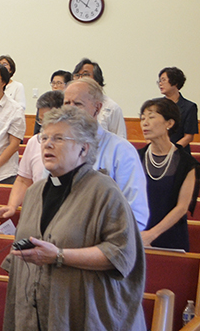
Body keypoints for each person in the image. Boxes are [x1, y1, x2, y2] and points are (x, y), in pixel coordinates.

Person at [0, 106, 152, 331]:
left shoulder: (104, 192)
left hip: (90, 329)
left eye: (58, 138)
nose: (47, 145)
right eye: (44, 137)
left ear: (84, 149)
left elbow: (122, 255)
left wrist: (60, 256)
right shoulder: (36, 192)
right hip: (45, 329)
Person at [62, 79, 149, 229]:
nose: (71, 110)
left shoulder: (121, 150)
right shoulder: (58, 147)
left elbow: (135, 213)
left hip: (105, 238)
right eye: (66, 103)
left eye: (77, 104)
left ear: (97, 108)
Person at [0, 90, 64, 227]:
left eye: (49, 120)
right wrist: (12, 206)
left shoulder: (74, 145)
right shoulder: (34, 142)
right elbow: (24, 180)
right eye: (41, 120)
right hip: (38, 212)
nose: (44, 126)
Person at [139, 98, 200, 249]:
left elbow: (182, 207)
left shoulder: (187, 163)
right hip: (137, 235)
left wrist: (151, 234)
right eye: (142, 118)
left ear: (169, 123)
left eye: (151, 117)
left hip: (170, 237)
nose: (145, 123)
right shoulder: (135, 157)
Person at [73, 59, 126, 138]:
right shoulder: (70, 104)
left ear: (97, 80)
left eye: (85, 74)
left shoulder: (112, 108)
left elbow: (120, 139)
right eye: (77, 75)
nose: (80, 79)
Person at [157, 67, 197, 148]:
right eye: (159, 81)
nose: (160, 84)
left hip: (179, 151)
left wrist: (172, 150)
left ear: (175, 82)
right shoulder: (156, 105)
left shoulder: (189, 107)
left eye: (163, 80)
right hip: (157, 150)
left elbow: (189, 136)